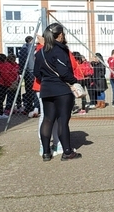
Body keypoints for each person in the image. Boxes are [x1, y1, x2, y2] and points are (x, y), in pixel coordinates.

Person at [33, 22, 82, 161]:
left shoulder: (41, 51)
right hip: (61, 90)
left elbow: (37, 72)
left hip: (46, 89)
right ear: (60, 35)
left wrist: (47, 79)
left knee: (47, 119)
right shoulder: (59, 50)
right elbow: (64, 72)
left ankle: (46, 152)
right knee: (62, 120)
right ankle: (67, 152)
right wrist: (73, 81)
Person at [18, 35, 39, 117]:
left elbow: (21, 61)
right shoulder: (34, 48)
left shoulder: (23, 49)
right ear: (32, 40)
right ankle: (36, 106)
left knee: (28, 89)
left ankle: (28, 106)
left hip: (26, 71)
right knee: (36, 90)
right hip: (33, 70)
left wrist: (22, 70)